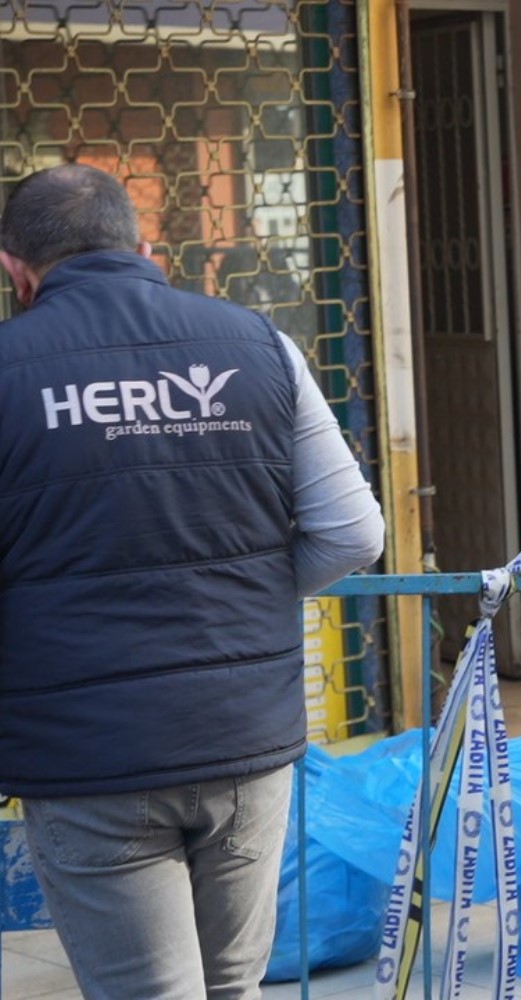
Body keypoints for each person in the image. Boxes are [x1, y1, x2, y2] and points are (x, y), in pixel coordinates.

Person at [0, 164, 385, 997]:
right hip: (244, 741)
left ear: (16, 269)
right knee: (231, 989)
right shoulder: (258, 343)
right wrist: (242, 607)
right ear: (147, 249)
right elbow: (356, 531)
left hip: (89, 754)